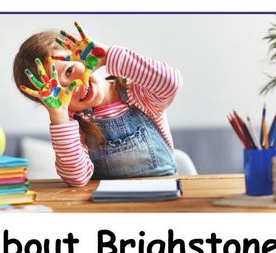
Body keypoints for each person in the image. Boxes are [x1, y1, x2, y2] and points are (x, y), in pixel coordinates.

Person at [13, 22, 183, 187]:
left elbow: (170, 84)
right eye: (57, 90)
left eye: (69, 70)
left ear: (83, 57)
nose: (74, 86)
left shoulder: (138, 94)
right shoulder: (74, 125)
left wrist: (108, 55)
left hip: (163, 193)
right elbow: (77, 178)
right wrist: (59, 117)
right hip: (108, 206)